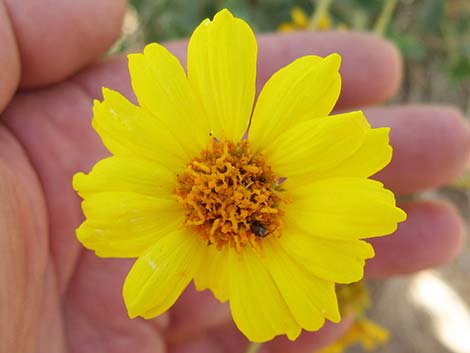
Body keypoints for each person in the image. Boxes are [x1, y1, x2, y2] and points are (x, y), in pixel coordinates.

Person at [0, 1, 468, 352]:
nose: (230, 201)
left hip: (261, 201)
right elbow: (143, 220)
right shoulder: (192, 220)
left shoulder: (245, 225)